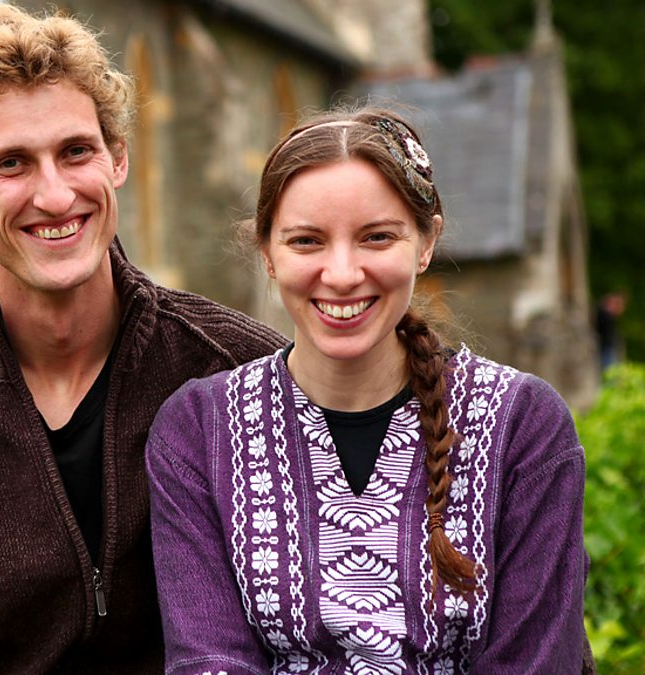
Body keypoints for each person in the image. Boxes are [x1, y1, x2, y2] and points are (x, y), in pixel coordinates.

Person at [0, 5, 285, 673]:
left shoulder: (240, 370)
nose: (56, 195)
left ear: (118, 158)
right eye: (12, 163)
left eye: (76, 151)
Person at [147, 107, 589, 673]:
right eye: (306, 241)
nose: (342, 274)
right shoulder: (198, 431)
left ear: (426, 243)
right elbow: (210, 659)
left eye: (377, 237)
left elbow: (535, 661)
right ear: (268, 254)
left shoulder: (524, 426)